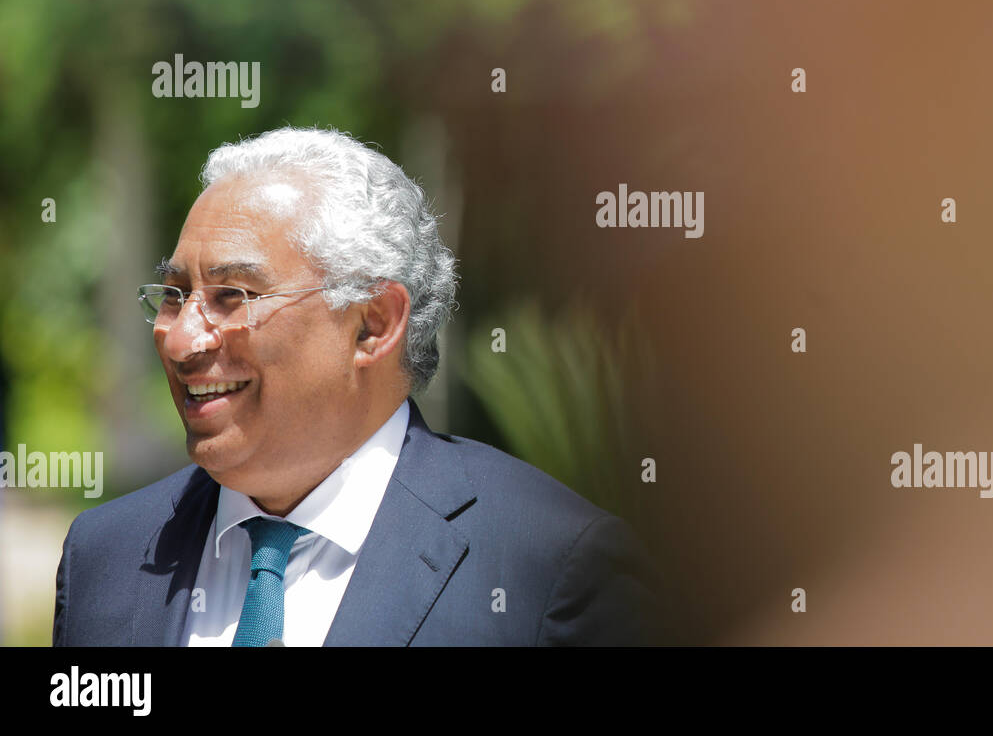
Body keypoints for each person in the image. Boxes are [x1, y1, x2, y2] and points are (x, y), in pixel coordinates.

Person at [53, 126, 661, 646]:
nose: (183, 341)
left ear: (372, 325)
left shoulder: (548, 567)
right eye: (176, 295)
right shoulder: (105, 556)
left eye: (232, 296)